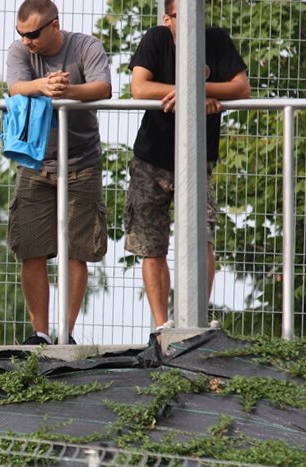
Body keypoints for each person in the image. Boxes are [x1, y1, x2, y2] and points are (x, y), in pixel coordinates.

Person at [125, 0, 250, 330]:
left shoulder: (216, 39)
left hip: (197, 157)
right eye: (181, 16)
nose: (191, 21)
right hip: (151, 159)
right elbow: (139, 87)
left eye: (196, 13)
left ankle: (195, 322)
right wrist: (188, 92)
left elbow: (241, 87)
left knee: (202, 236)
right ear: (167, 19)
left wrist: (193, 90)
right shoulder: (156, 39)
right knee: (151, 244)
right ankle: (162, 326)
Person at [6, 0, 112, 345]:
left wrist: (68, 91)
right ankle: (40, 333)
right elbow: (15, 87)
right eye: (21, 33)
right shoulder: (20, 50)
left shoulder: (86, 46)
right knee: (31, 249)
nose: (27, 41)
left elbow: (103, 87)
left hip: (82, 162)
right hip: (34, 161)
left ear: (55, 25)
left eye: (33, 34)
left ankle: (65, 333)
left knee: (77, 251)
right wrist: (43, 85)